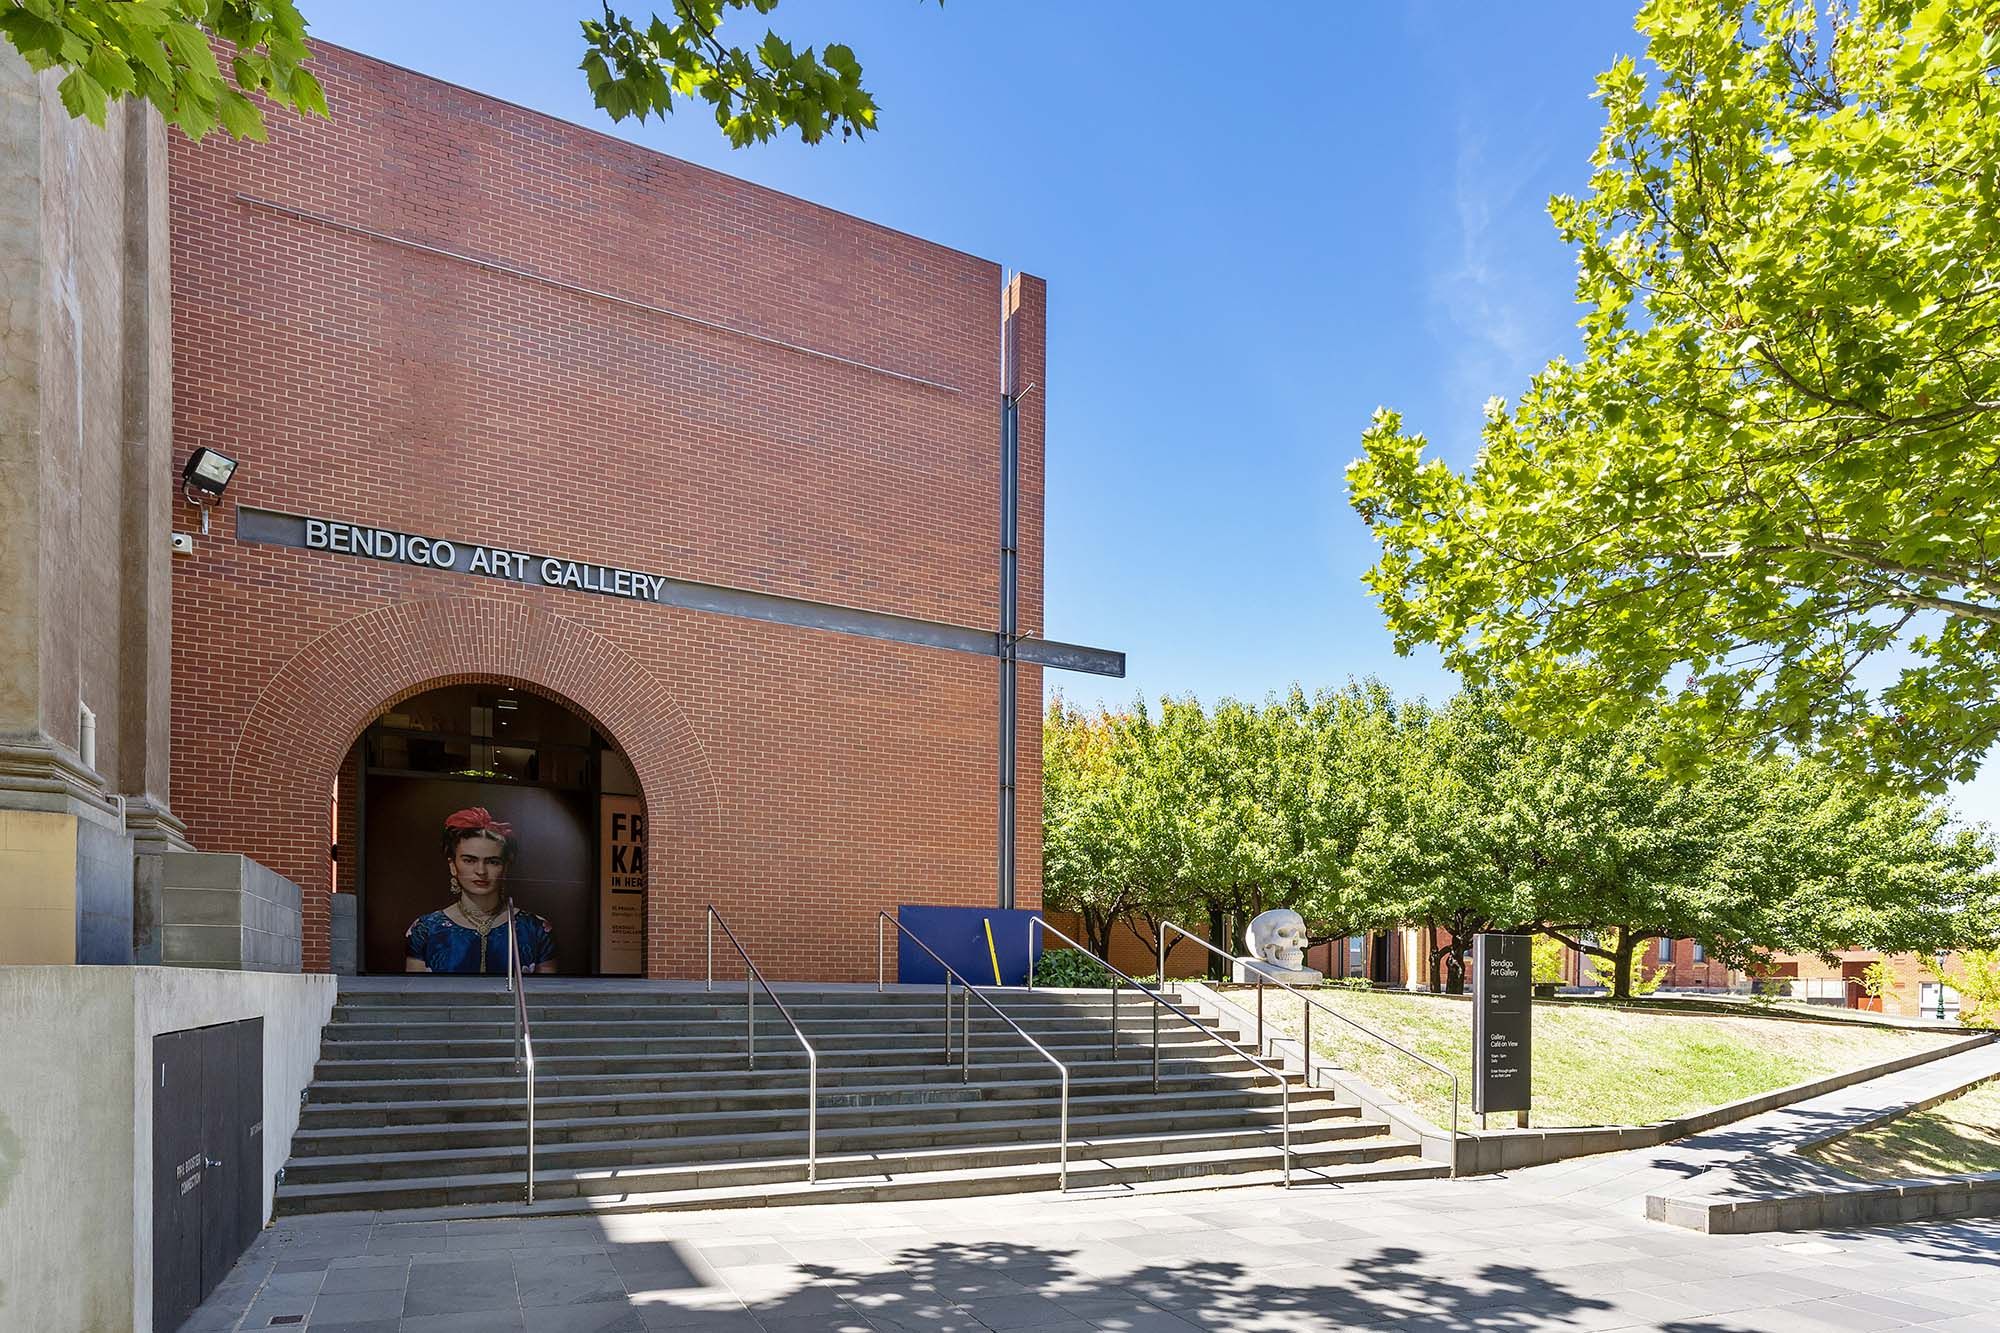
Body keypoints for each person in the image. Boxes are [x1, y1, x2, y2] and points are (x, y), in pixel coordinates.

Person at [404, 806, 556, 974]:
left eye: (492, 862)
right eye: (469, 860)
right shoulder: (425, 930)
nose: (481, 871)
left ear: (505, 867)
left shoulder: (536, 929)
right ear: (453, 866)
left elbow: (546, 995)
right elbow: (415, 996)